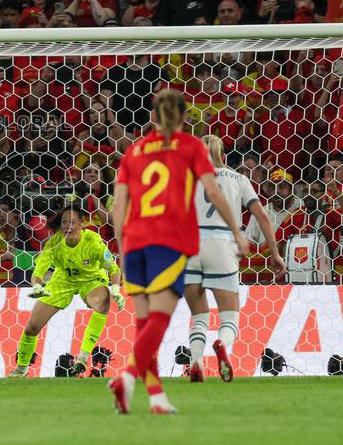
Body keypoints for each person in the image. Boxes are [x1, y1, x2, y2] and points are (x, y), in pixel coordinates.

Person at [109, 90, 249, 415]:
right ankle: (127, 378)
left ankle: (156, 397)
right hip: (168, 243)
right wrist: (238, 232)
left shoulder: (134, 151)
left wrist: (120, 249)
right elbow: (213, 191)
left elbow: (119, 205)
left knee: (143, 325)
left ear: (154, 117)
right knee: (159, 319)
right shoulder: (190, 146)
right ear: (185, 117)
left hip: (134, 243)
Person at [184, 136, 286, 383]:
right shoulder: (239, 179)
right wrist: (274, 253)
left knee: (198, 316)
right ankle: (222, 343)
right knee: (229, 315)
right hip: (223, 245)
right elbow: (261, 215)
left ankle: (196, 361)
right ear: (224, 157)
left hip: (190, 247)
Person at [8, 196, 126, 378]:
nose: (67, 226)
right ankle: (20, 370)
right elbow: (38, 272)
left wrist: (116, 288)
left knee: (102, 303)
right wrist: (37, 286)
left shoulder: (93, 242)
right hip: (62, 281)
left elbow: (113, 268)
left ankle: (83, 357)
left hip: (91, 279)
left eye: (72, 222)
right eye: (64, 222)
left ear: (81, 224)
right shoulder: (54, 243)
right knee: (32, 327)